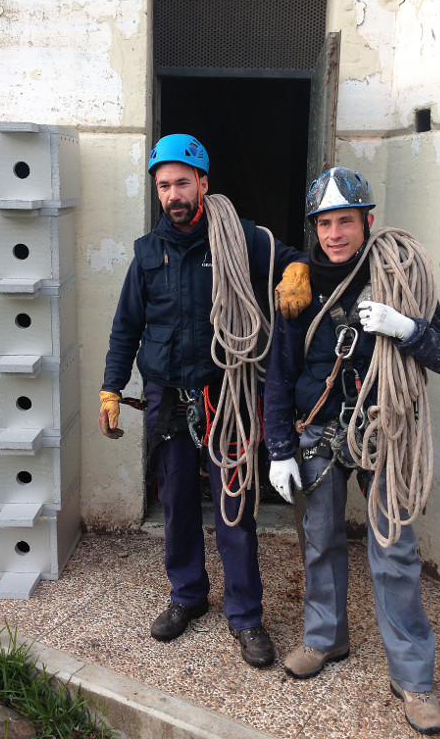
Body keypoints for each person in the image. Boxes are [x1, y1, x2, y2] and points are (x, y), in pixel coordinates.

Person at [99, 134, 312, 667]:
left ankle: (246, 616)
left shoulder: (239, 239)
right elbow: (127, 326)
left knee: (234, 506)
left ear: (203, 184)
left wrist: (297, 271)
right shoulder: (148, 253)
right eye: (163, 185)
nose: (173, 194)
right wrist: (110, 385)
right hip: (167, 395)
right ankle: (187, 597)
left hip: (227, 394)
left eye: (182, 182)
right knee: (173, 502)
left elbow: (290, 258)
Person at [264, 167, 440, 734]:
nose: (334, 233)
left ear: (367, 221)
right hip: (318, 434)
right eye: (324, 223)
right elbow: (278, 374)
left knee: (394, 553)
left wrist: (407, 328)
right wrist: (278, 447)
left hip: (384, 432)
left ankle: (414, 677)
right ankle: (326, 640)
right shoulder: (296, 287)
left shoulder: (399, 278)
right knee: (320, 543)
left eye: (345, 220)